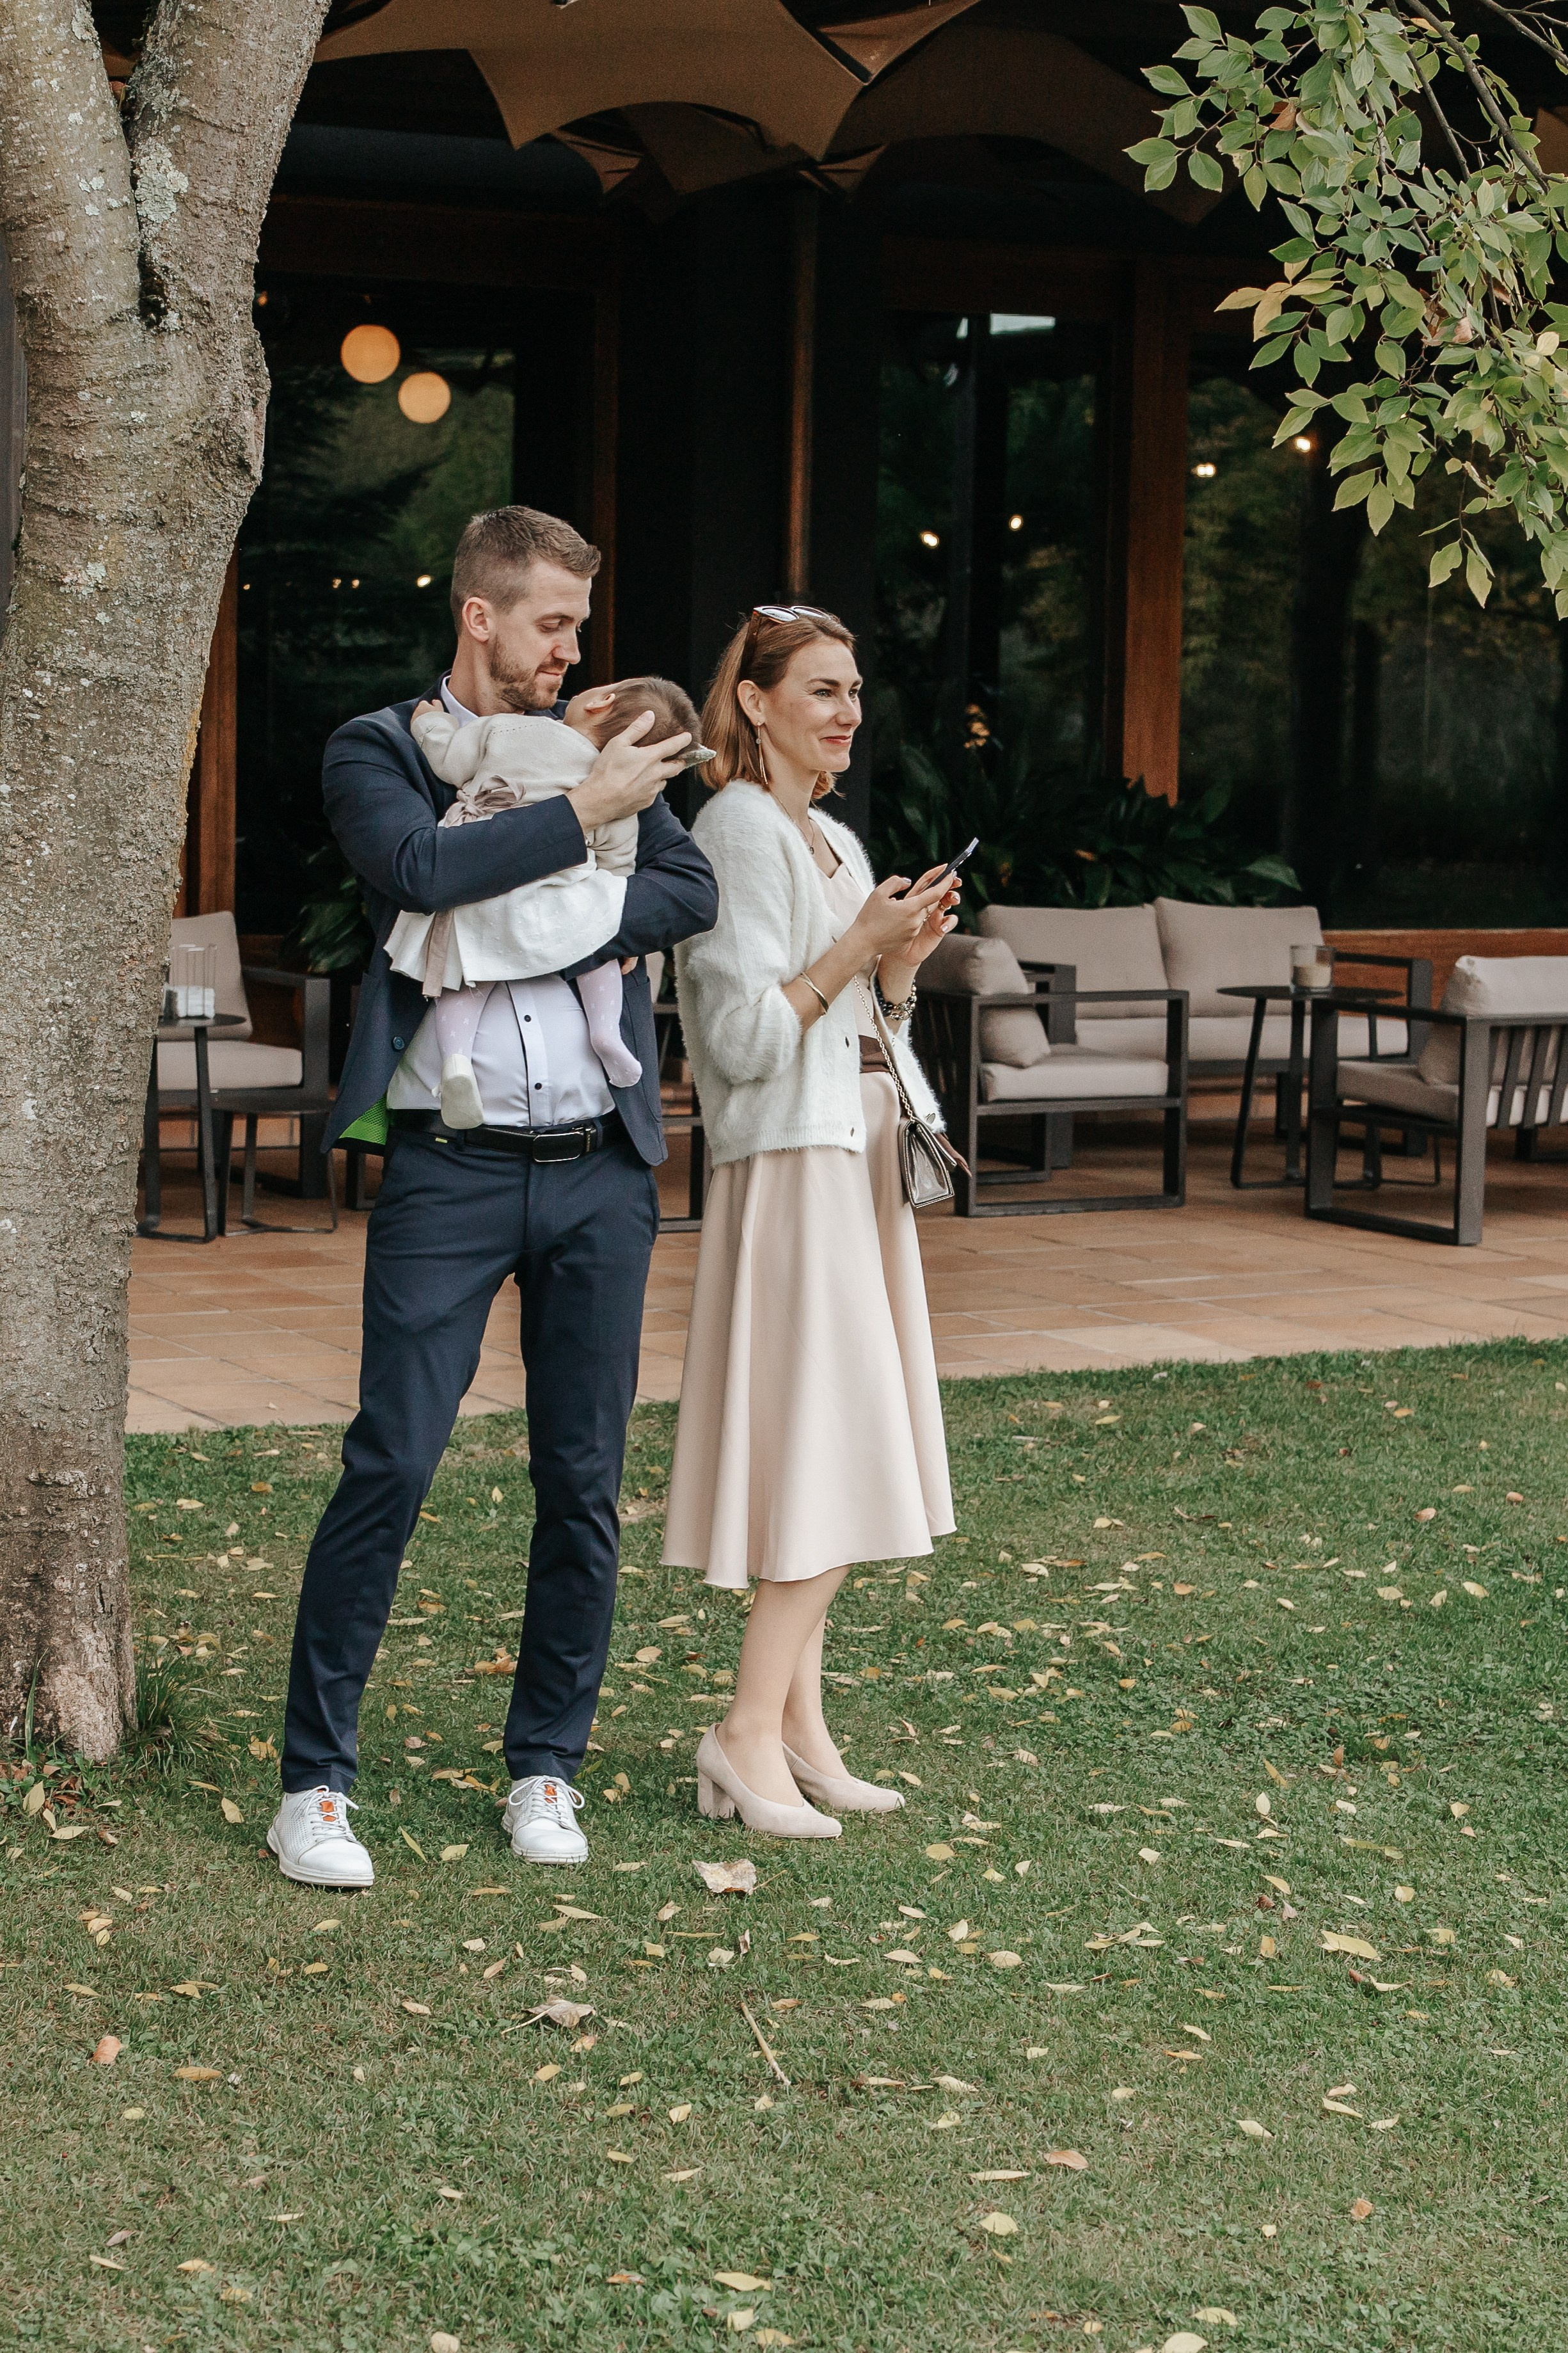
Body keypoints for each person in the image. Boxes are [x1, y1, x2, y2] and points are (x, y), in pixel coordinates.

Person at [268, 507, 718, 1888]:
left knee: (582, 1482)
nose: (571, 650)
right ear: (480, 616)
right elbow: (417, 870)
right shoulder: (380, 748)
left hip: (599, 1171)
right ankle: (313, 1784)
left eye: (577, 622)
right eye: (550, 624)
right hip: (447, 1171)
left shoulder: (608, 738)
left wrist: (547, 910)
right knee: (392, 1459)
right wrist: (580, 822)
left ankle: (546, 1766)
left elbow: (688, 886)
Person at [661, 603, 958, 1838]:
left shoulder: (827, 834)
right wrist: (855, 950)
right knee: (835, 1450)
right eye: (822, 689)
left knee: (824, 1448)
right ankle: (741, 1731)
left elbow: (858, 1020)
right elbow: (739, 1039)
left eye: (854, 690)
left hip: (857, 1158)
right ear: (756, 701)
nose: (848, 712)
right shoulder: (736, 828)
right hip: (793, 1165)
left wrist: (900, 964)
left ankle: (798, 1732)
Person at [386, 675, 706, 1121]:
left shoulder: (511, 729)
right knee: (598, 946)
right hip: (566, 896)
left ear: (599, 701)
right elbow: (619, 857)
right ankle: (605, 1032)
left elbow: (449, 758)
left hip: (485, 891)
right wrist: (615, 919)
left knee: (464, 977)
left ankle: (456, 1060)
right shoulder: (620, 788)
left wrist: (429, 724)